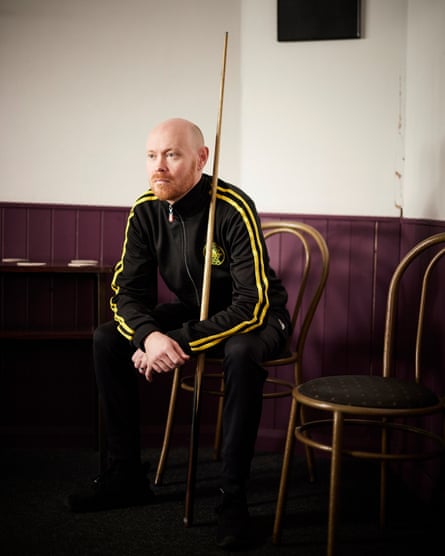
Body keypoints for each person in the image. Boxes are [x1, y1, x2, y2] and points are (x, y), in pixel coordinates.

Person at [67, 117, 291, 549]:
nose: (159, 167)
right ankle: (126, 474)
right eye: (152, 156)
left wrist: (179, 340)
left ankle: (233, 499)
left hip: (256, 317)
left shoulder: (233, 207)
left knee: (242, 354)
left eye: (171, 155)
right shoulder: (145, 210)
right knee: (106, 338)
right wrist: (150, 337)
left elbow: (251, 304)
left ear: (201, 158)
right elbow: (125, 296)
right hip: (194, 310)